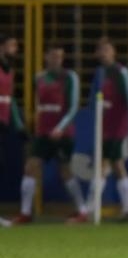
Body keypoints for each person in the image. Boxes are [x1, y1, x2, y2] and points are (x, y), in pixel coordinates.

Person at [12, 45, 86, 224]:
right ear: (46, 56)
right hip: (42, 133)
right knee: (31, 166)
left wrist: (60, 127)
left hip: (62, 133)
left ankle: (82, 211)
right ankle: (25, 213)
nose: (56, 59)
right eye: (53, 56)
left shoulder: (70, 77)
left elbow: (74, 106)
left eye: (59, 56)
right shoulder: (39, 77)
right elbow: (40, 105)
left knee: (65, 171)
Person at [87, 37, 128, 222]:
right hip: (103, 127)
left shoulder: (120, 72)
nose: (104, 53)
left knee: (106, 164)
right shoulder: (100, 73)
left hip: (117, 127)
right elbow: (94, 100)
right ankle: (127, 209)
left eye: (107, 49)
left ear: (114, 52)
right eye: (101, 50)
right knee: (114, 165)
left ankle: (92, 207)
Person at [0, 34, 25, 172]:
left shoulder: (10, 71)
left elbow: (11, 99)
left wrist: (19, 125)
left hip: (3, 121)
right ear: (2, 47)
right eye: (12, 45)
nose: (16, 49)